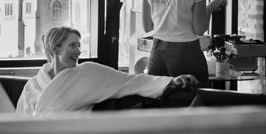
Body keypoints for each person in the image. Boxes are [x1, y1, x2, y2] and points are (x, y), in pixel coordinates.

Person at [17, 26, 198, 117]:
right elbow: (18, 122)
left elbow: (130, 81)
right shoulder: (33, 85)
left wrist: (171, 81)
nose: (79, 51)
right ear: (55, 49)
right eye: (72, 45)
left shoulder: (88, 73)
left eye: (79, 46)